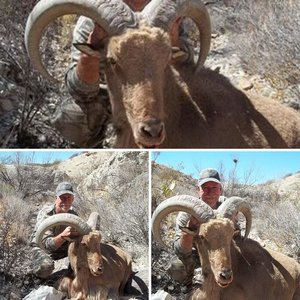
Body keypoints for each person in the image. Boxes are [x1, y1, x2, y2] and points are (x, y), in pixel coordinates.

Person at [52, 0, 194, 147]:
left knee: (191, 112)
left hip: (158, 93)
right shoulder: (94, 19)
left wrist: (173, 42)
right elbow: (80, 89)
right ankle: (94, 148)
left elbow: (188, 69)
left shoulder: (166, 15)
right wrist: (91, 52)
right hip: (105, 94)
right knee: (72, 117)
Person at [169, 168, 226, 289]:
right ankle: (188, 289)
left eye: (214, 187)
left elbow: (239, 239)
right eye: (205, 187)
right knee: (177, 268)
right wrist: (189, 231)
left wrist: (232, 224)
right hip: (196, 255)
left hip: (223, 253)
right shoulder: (186, 212)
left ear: (220, 189)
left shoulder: (227, 207)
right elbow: (180, 251)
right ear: (198, 190)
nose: (210, 192)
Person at [30, 182, 79, 279]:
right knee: (45, 267)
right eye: (62, 197)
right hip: (43, 248)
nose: (66, 200)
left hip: (62, 247)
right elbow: (46, 245)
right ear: (56, 198)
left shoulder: (74, 214)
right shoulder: (46, 214)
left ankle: (72, 275)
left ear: (72, 199)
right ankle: (37, 280)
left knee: (83, 253)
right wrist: (63, 236)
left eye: (69, 197)